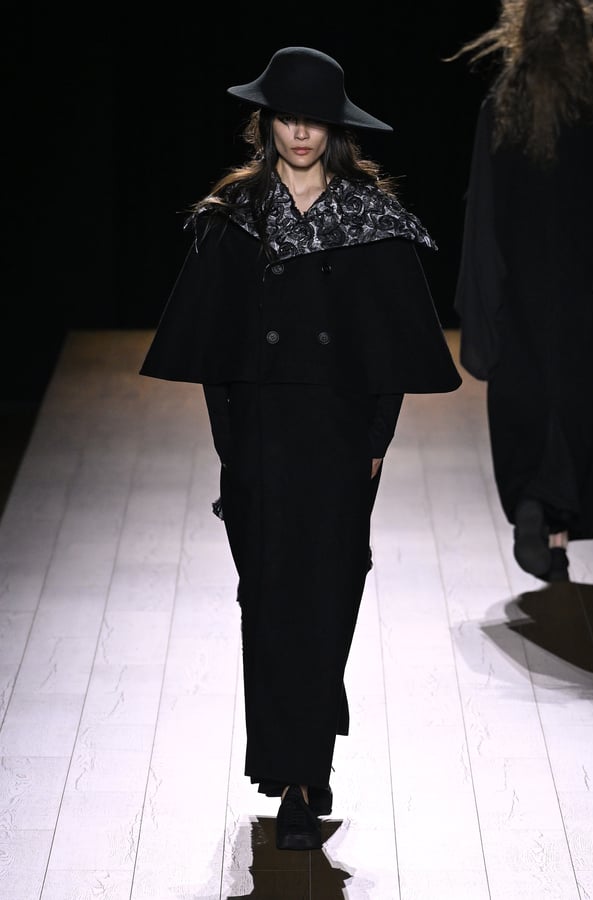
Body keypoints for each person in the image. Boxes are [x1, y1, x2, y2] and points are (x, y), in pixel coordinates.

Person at [140, 46, 461, 851]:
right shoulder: (235, 216)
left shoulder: (371, 220)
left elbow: (391, 350)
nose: (301, 132)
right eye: (287, 117)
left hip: (340, 434)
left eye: (314, 119)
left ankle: (301, 771)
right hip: (259, 433)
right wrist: (230, 444)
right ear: (267, 124)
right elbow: (213, 349)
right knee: (268, 601)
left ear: (336, 127)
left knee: (326, 596)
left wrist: (376, 443)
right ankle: (295, 761)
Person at [449, 0, 593, 582]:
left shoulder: (503, 105)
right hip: (587, 294)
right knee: (579, 406)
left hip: (522, 294)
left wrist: (485, 302)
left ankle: (539, 513)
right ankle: (553, 524)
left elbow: (483, 210)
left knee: (533, 404)